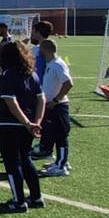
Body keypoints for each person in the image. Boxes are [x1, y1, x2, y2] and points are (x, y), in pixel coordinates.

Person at [0, 41, 46, 212]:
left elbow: (11, 102)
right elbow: (41, 99)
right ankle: (36, 197)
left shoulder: (7, 74)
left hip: (9, 124)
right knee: (26, 160)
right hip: (28, 126)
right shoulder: (32, 74)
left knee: (12, 164)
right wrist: (36, 122)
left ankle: (19, 202)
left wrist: (27, 123)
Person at [35, 39, 73, 177]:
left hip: (58, 106)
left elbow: (68, 83)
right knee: (55, 135)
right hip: (52, 106)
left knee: (61, 136)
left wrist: (56, 100)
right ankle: (60, 161)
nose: (39, 52)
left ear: (46, 50)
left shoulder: (57, 64)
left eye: (40, 49)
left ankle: (61, 166)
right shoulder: (51, 64)